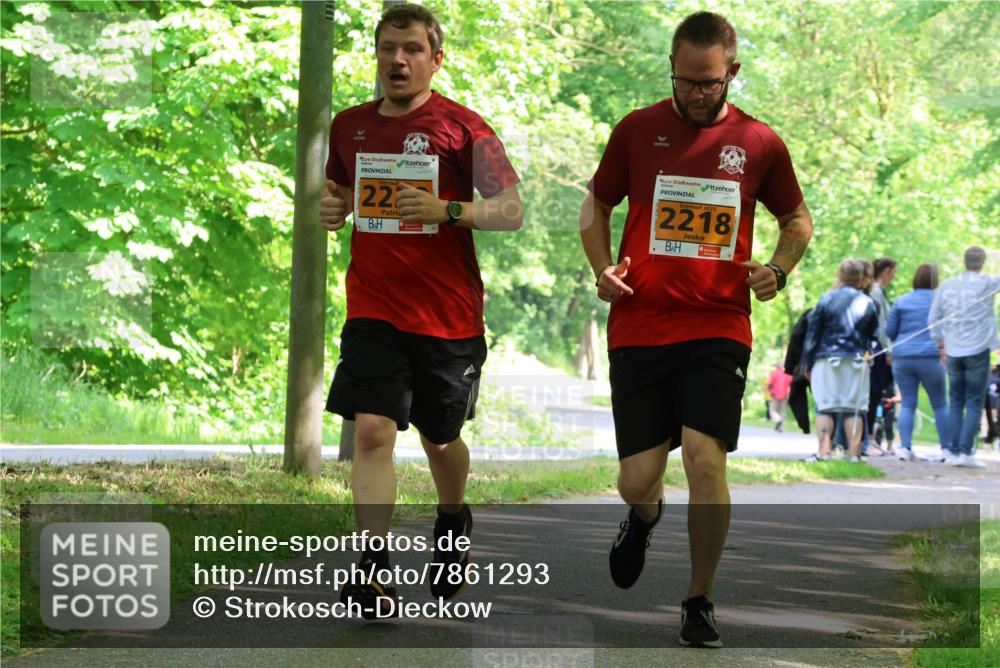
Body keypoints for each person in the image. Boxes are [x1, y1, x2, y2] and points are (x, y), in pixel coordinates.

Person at [578, 11, 812, 648]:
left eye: (708, 82)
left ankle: (699, 599)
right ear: (672, 70)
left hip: (718, 324)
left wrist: (777, 268)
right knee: (635, 480)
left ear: (732, 72)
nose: (696, 93)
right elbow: (597, 204)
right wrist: (602, 268)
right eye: (684, 80)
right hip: (640, 323)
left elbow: (797, 219)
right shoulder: (637, 129)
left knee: (706, 461)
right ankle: (644, 515)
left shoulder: (759, 142)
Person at [319, 3, 523, 617]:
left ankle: (453, 518)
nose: (398, 60)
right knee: (372, 431)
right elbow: (340, 193)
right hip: (373, 306)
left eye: (411, 49)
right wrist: (334, 208)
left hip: (446, 315)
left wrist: (449, 211)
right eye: (388, 48)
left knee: (440, 439)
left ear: (436, 59)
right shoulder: (350, 127)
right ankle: (372, 570)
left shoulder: (464, 128)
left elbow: (510, 210)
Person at [801, 259, 879, 463]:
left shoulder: (826, 299)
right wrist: (869, 353)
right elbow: (873, 335)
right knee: (854, 409)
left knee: (824, 407)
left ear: (840, 275)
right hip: (856, 360)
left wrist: (807, 363)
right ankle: (854, 455)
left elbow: (813, 334)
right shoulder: (867, 302)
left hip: (827, 359)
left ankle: (824, 452)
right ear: (861, 277)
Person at [929, 246, 1000, 469]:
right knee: (974, 402)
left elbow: (934, 317)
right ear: (983, 262)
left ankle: (952, 450)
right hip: (978, 350)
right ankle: (965, 452)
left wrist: (941, 344)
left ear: (965, 261)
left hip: (953, 350)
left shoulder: (947, 285)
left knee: (956, 401)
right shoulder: (988, 283)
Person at [885, 263, 951, 461]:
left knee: (907, 403)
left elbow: (890, 331)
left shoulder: (901, 301)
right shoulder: (941, 302)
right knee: (940, 404)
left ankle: (905, 448)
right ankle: (946, 449)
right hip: (932, 357)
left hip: (903, 358)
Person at [866, 258, 897, 450]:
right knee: (874, 393)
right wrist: (889, 350)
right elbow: (882, 325)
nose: (894, 276)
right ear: (886, 271)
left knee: (874, 394)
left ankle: (868, 437)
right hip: (878, 350)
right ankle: (868, 438)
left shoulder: (875, 291)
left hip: (876, 348)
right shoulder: (876, 292)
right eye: (893, 272)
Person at [767, 364, 793, 432]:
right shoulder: (788, 374)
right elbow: (792, 384)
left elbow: (770, 384)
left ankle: (778, 421)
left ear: (776, 367)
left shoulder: (774, 373)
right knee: (782, 411)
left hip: (775, 394)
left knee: (772, 410)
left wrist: (770, 392)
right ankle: (779, 427)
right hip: (785, 395)